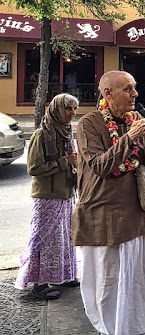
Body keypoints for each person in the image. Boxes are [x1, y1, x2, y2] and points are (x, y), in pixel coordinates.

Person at [72, 70, 145, 335]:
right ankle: (117, 330)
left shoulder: (133, 118)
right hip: (104, 213)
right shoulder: (89, 124)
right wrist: (129, 137)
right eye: (128, 89)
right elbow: (100, 166)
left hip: (136, 210)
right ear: (107, 93)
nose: (135, 94)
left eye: (134, 88)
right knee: (112, 279)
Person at [15, 93, 80, 300]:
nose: (71, 113)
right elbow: (34, 168)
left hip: (66, 194)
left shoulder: (66, 132)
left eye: (74, 109)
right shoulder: (41, 135)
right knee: (42, 239)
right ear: (56, 109)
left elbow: (74, 161)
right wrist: (64, 161)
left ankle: (63, 276)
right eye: (67, 108)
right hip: (47, 197)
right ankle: (38, 284)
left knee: (64, 238)